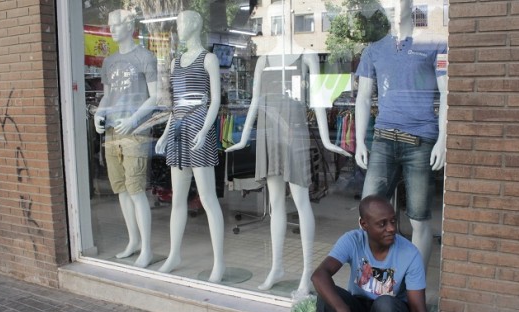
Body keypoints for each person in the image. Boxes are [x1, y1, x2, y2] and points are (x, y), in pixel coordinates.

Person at [225, 0, 350, 296]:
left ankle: (307, 272)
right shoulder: (263, 59)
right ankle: (277, 267)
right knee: (275, 204)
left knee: (302, 201)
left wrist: (327, 138)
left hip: (294, 135)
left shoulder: (306, 55)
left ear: (291, 18)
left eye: (280, 16)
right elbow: (254, 100)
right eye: (271, 18)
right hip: (269, 136)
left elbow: (317, 99)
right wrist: (243, 138)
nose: (276, 22)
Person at [354, 0, 448, 270]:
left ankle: (412, 289)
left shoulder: (434, 44)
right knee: (367, 213)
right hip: (383, 140)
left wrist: (443, 139)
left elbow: (446, 93)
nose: (393, 5)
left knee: (419, 219)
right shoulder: (374, 50)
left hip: (420, 142)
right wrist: (360, 140)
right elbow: (363, 98)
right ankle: (371, 279)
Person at [154, 10, 225, 283]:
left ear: (194, 25)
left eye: (181, 22)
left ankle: (219, 262)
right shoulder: (174, 64)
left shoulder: (209, 59)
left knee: (207, 198)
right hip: (178, 130)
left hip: (198, 128)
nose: (178, 27)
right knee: (178, 198)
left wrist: (206, 130)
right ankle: (174, 254)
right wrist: (164, 134)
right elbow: (176, 104)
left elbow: (214, 100)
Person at [312, 195, 427, 312]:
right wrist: (342, 309)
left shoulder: (410, 253)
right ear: (364, 224)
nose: (391, 228)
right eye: (382, 224)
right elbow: (319, 275)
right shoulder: (353, 240)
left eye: (393, 221)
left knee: (385, 304)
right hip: (360, 310)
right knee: (326, 297)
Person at [93, 9, 157, 268]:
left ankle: (148, 248)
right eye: (110, 25)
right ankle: (133, 241)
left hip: (136, 133)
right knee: (121, 189)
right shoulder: (108, 62)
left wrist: (134, 120)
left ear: (129, 26)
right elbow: (108, 96)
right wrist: (99, 112)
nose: (112, 29)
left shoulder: (145, 57)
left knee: (136, 189)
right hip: (112, 132)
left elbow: (155, 97)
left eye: (117, 25)